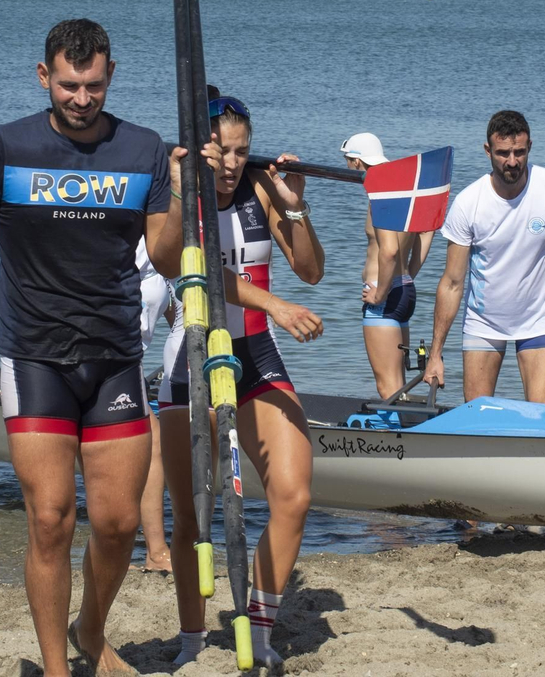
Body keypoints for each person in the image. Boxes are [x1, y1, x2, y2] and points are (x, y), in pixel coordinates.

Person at [0, 19, 183, 677]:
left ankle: (90, 631)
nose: (80, 98)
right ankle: (55, 667)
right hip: (34, 355)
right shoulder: (6, 147)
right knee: (50, 518)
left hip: (112, 357)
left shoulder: (143, 149)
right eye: (69, 85)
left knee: (119, 523)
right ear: (44, 77)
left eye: (93, 85)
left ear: (111, 76)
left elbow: (165, 254)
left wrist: (180, 189)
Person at [158, 92, 325, 673]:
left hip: (254, 353)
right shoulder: (185, 194)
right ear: (204, 148)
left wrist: (294, 206)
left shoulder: (258, 189)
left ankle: (257, 627)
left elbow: (311, 269)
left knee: (294, 493)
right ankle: (191, 639)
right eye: (222, 151)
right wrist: (275, 304)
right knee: (191, 516)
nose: (231, 163)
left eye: (242, 151)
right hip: (192, 355)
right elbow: (199, 271)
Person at [421, 110, 545, 403]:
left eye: (519, 152)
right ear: (487, 151)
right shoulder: (469, 203)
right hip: (483, 323)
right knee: (477, 425)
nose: (512, 161)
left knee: (541, 422)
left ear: (529, 147)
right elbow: (452, 283)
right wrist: (435, 354)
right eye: (503, 153)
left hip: (540, 322)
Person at [342, 131, 434, 398]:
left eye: (348, 161)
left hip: (383, 296)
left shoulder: (380, 194)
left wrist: (380, 293)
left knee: (388, 386)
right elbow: (427, 233)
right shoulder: (406, 189)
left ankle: (395, 439)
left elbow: (389, 251)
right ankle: (406, 434)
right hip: (405, 290)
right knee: (399, 383)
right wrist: (406, 276)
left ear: (358, 162)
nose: (348, 168)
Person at [136, 236, 177, 575]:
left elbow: (171, 307)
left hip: (128, 359)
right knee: (151, 442)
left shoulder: (162, 248)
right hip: (102, 354)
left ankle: (155, 550)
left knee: (153, 442)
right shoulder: (123, 235)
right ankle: (156, 551)